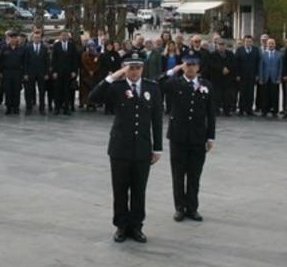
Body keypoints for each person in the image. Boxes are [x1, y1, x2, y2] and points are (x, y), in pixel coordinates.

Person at [89, 52, 162, 244]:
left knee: (139, 189)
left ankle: (136, 226)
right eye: (131, 67)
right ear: (125, 68)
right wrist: (113, 76)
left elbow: (157, 119)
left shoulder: (152, 88)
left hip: (142, 148)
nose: (135, 71)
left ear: (142, 69)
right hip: (120, 148)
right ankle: (121, 226)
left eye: (138, 67)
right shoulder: (116, 87)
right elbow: (93, 97)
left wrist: (158, 148)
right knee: (120, 189)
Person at [163, 52, 215, 222]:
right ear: (183, 66)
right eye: (187, 65)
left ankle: (192, 207)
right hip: (178, 136)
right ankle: (179, 207)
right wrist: (173, 70)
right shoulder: (175, 83)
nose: (190, 68)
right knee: (178, 174)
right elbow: (157, 83)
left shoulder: (206, 85)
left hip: (198, 137)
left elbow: (211, 113)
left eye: (193, 65)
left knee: (194, 174)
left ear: (198, 67)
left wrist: (211, 137)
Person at [52, 31, 79, 116]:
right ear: (60, 36)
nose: (64, 37)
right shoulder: (56, 46)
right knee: (57, 90)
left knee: (67, 91)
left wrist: (74, 71)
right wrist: (54, 71)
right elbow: (54, 60)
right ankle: (57, 108)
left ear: (68, 37)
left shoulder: (72, 46)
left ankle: (66, 109)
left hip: (69, 72)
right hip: (58, 72)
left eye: (66, 35)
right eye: (63, 35)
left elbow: (75, 59)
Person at [207, 39, 235, 117]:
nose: (221, 46)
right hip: (217, 78)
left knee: (227, 96)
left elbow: (233, 63)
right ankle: (216, 110)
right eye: (220, 45)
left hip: (228, 78)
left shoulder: (230, 54)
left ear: (225, 46)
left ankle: (227, 110)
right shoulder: (212, 55)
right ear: (217, 46)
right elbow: (211, 65)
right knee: (217, 95)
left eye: (223, 45)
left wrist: (228, 69)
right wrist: (222, 68)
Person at [24, 30, 50, 115]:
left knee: (42, 91)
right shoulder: (28, 48)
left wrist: (46, 73)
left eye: (38, 38)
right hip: (30, 73)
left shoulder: (44, 48)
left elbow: (47, 62)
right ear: (32, 38)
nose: (37, 39)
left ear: (41, 39)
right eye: (35, 37)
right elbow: (25, 62)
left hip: (41, 73)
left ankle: (42, 108)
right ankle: (29, 108)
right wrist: (25, 73)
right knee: (29, 91)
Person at [0, 31, 26, 115]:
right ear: (9, 39)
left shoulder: (21, 48)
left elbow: (25, 62)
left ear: (17, 39)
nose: (13, 39)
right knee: (8, 90)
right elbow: (0, 61)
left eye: (15, 38)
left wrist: (24, 73)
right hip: (7, 72)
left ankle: (16, 107)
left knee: (16, 90)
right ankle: (8, 107)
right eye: (11, 38)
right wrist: (0, 72)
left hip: (17, 72)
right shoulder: (4, 48)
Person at [235, 35, 260, 116]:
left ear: (252, 42)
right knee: (242, 92)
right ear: (244, 42)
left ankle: (249, 109)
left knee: (251, 92)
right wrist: (237, 75)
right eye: (247, 41)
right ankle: (241, 109)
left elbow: (257, 63)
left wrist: (257, 74)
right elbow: (236, 63)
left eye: (250, 41)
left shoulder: (256, 50)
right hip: (242, 75)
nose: (248, 43)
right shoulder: (239, 50)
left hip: (252, 75)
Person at [258, 38, 282, 117]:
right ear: (267, 45)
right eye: (269, 43)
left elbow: (280, 67)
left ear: (275, 45)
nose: (271, 45)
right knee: (264, 95)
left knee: (275, 95)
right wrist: (261, 78)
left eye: (272, 43)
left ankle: (274, 111)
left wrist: (279, 78)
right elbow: (261, 67)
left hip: (275, 78)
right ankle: (264, 110)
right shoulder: (263, 54)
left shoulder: (279, 54)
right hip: (265, 77)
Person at [79, 44, 101, 110]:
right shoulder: (84, 54)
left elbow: (98, 64)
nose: (91, 49)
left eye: (92, 47)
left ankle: (93, 103)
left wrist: (93, 71)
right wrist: (89, 71)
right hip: (86, 74)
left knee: (93, 89)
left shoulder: (97, 55)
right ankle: (87, 103)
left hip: (94, 75)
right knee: (86, 90)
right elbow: (84, 63)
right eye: (90, 47)